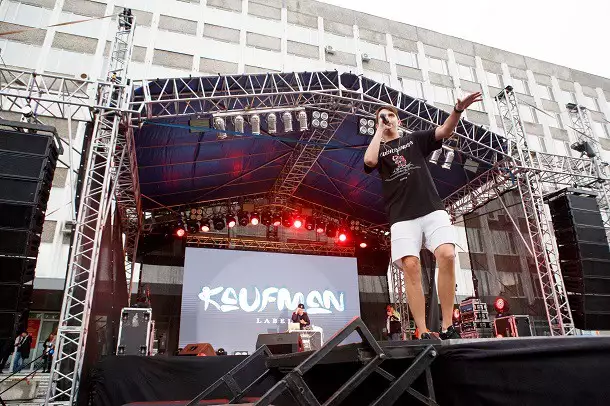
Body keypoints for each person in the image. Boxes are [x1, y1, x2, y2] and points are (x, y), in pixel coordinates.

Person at [364, 92, 483, 340]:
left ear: (399, 121)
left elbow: (444, 131)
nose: (387, 119)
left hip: (431, 208)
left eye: (390, 116)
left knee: (447, 254)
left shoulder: (414, 140)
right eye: (382, 117)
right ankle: (423, 330)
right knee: (411, 266)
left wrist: (458, 110)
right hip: (401, 216)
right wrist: (378, 132)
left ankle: (448, 325)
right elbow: (369, 161)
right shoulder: (380, 150)